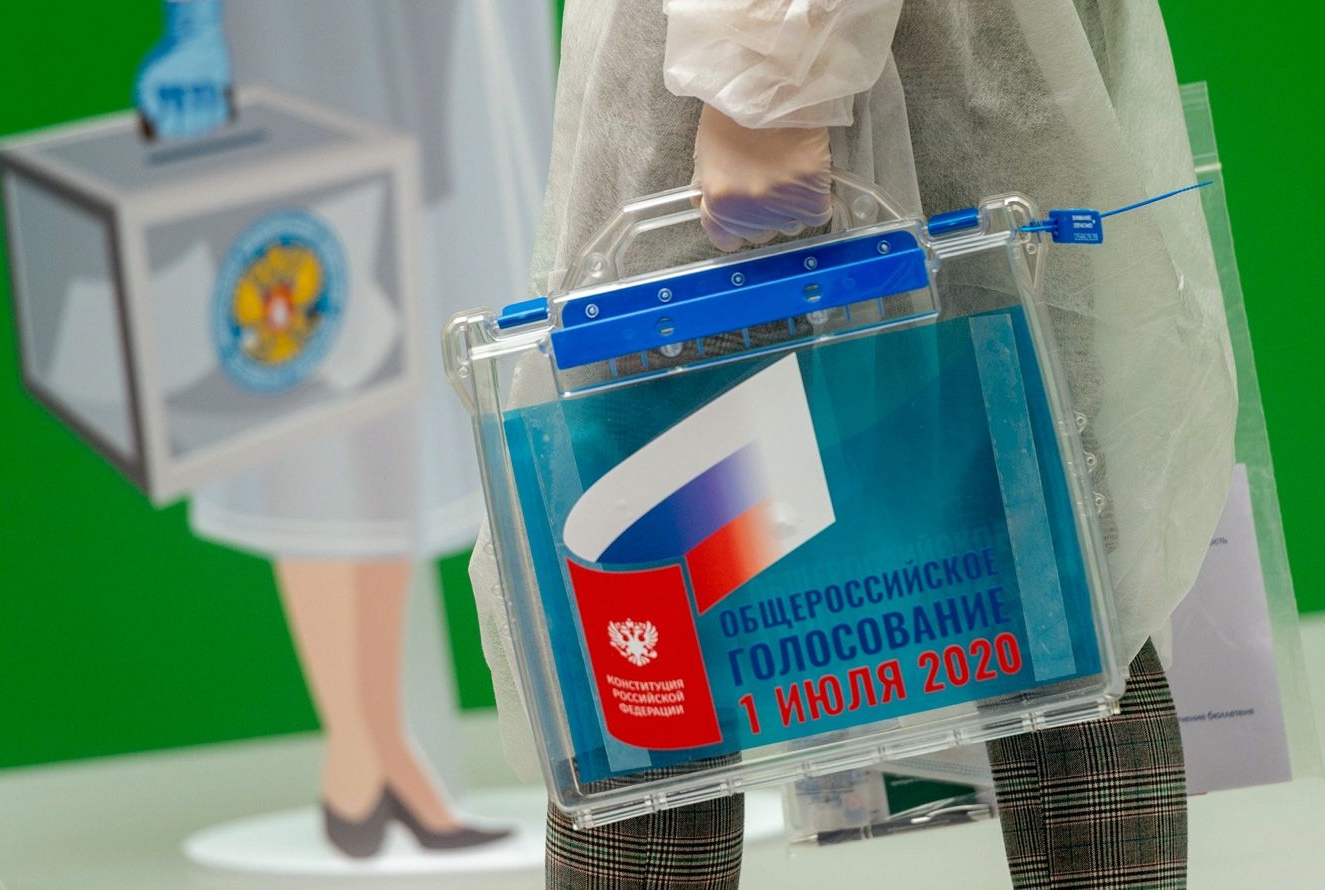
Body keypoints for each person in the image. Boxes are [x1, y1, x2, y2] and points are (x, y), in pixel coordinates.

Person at [469, 0, 1236, 887]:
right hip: (961, 61)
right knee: (1043, 556)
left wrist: (763, 79)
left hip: (794, 66)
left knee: (649, 612)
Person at [151, 0, 555, 858]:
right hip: (297, 37)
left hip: (419, 35)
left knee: (382, 370)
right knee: (313, 365)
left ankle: (371, 746)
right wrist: (194, 24)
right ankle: (362, 748)